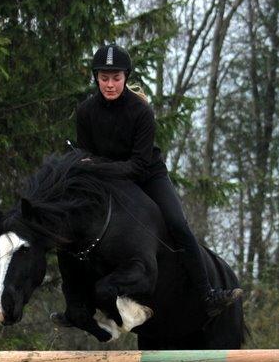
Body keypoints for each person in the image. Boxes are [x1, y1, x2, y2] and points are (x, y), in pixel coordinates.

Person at [61, 43, 240, 320]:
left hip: (147, 175)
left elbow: (137, 165)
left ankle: (208, 294)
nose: (110, 84)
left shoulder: (141, 110)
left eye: (116, 78)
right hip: (109, 180)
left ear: (126, 77)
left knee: (178, 223)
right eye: (104, 78)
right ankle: (76, 305)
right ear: (96, 78)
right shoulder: (85, 112)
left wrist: (98, 166)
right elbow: (86, 157)